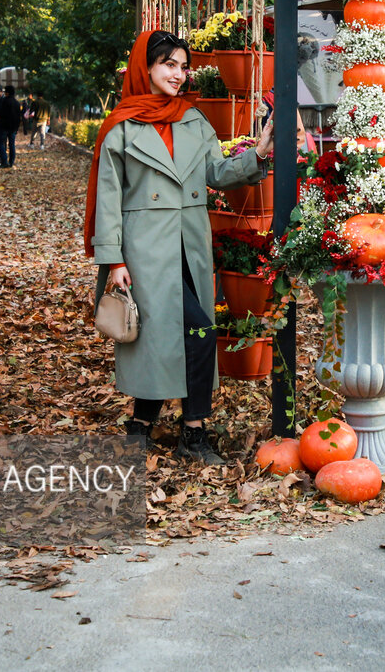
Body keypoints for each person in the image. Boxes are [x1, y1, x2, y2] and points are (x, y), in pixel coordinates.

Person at [85, 29, 274, 465]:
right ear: (145, 67)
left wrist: (259, 153)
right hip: (144, 252)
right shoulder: (120, 127)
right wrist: (113, 260)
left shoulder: (193, 120)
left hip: (190, 245)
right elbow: (108, 199)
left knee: (190, 333)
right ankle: (190, 432)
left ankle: (148, 429)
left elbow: (217, 172)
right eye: (169, 64)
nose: (178, 73)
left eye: (183, 65)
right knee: (165, 337)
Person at [0, 85, 22, 168]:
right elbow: (19, 116)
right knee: (12, 145)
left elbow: (1, 114)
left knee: (0, 143)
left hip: (4, 126)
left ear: (7, 92)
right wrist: (17, 127)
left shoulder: (4, 101)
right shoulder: (17, 103)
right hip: (13, 127)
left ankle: (4, 161)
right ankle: (11, 162)